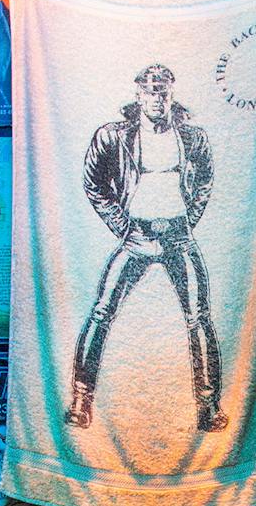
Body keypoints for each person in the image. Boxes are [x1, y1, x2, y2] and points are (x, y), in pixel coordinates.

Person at [70, 64, 225, 433]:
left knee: (199, 316)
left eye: (163, 92)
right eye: (150, 91)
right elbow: (93, 181)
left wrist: (189, 218)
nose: (157, 98)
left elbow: (204, 179)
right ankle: (80, 398)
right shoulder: (113, 135)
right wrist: (122, 226)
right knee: (101, 311)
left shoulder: (192, 136)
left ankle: (208, 406)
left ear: (171, 94)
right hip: (135, 235)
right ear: (138, 93)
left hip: (178, 235)